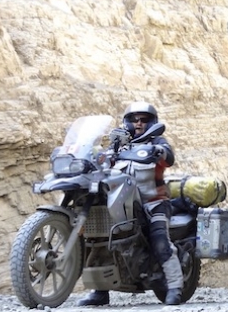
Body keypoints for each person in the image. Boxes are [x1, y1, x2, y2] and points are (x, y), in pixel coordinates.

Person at [77, 102, 184, 306]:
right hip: (124, 201)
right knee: (102, 239)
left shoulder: (157, 141)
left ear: (152, 122)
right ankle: (100, 291)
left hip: (154, 202)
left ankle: (175, 287)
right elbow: (103, 161)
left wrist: (159, 150)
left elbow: (169, 157)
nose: (139, 123)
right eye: (134, 120)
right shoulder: (119, 143)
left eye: (144, 119)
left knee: (160, 241)